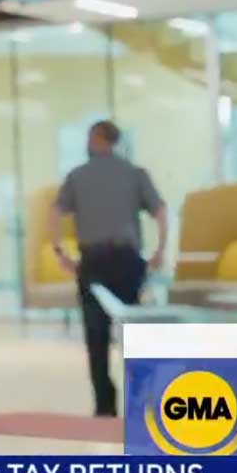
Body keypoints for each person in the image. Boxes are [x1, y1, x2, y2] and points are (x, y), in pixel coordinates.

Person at [49, 120, 167, 417]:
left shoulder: (77, 176)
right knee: (136, 334)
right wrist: (160, 250)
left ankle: (104, 406)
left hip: (93, 263)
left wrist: (60, 251)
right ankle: (142, 401)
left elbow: (55, 212)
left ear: (96, 139)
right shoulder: (135, 173)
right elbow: (161, 211)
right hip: (128, 262)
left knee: (96, 336)